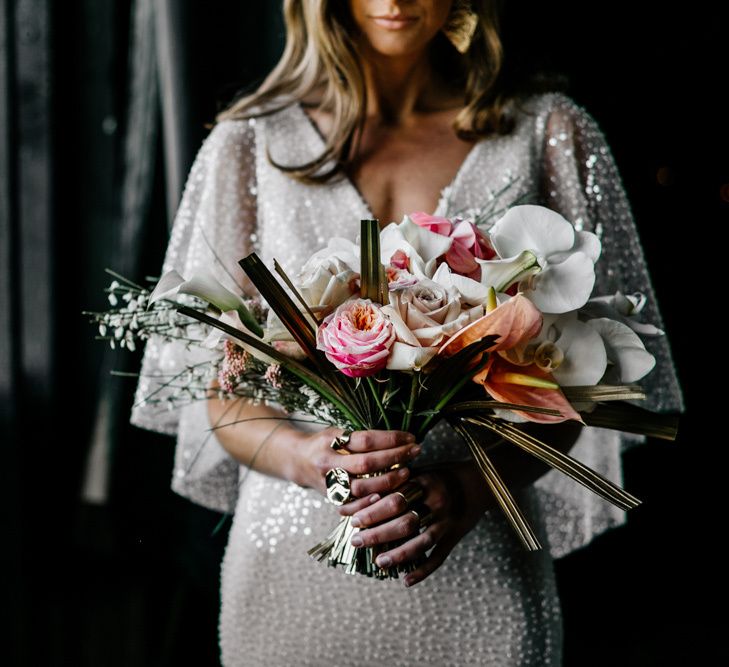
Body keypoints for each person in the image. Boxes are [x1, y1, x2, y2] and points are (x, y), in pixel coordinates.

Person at [130, 1, 684, 664]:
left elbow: (585, 384)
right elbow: (224, 392)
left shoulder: (547, 131)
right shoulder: (249, 144)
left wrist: (471, 488)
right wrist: (307, 460)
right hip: (288, 563)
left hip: (478, 557)